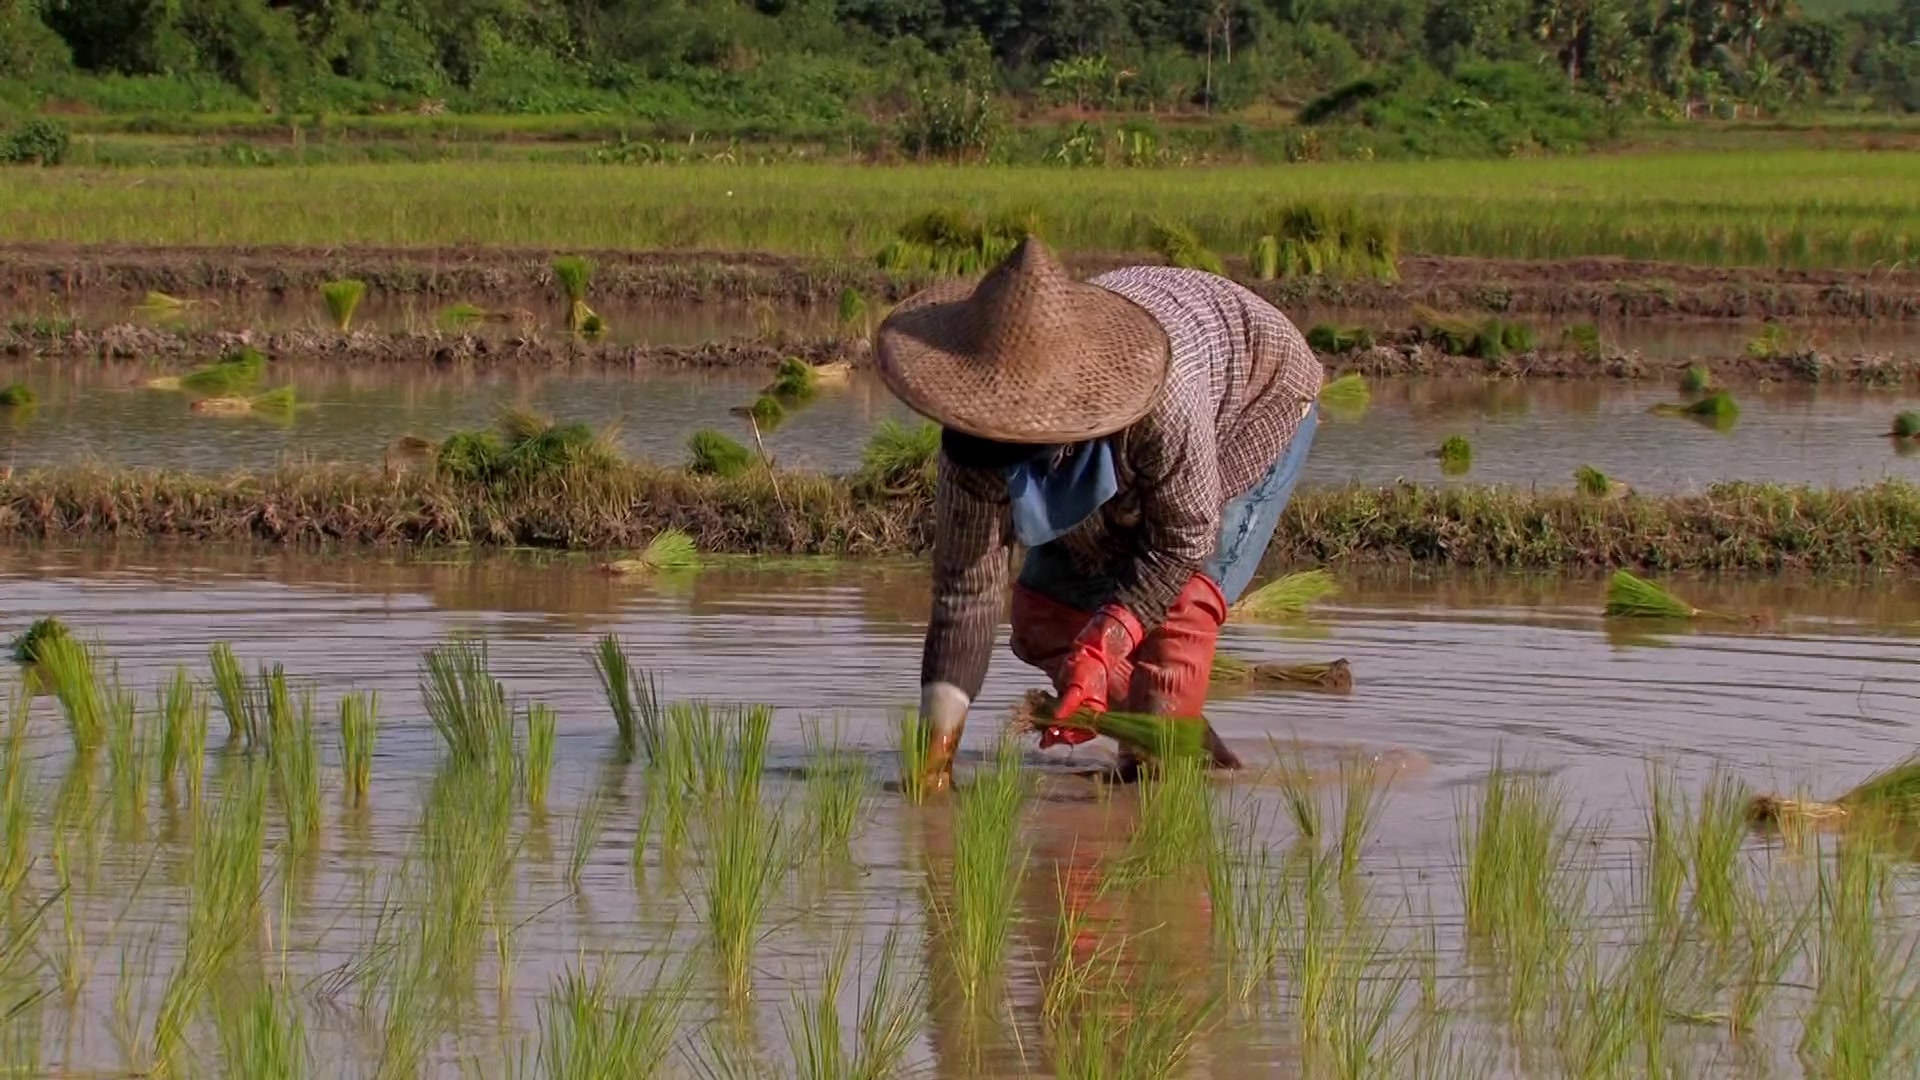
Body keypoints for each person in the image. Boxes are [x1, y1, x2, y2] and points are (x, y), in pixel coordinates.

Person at [875, 237, 1324, 792]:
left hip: (1250, 397)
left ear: (1050, 432)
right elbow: (964, 594)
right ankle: (1177, 738)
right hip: (1120, 427)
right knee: (1042, 621)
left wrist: (1103, 643)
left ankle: (1163, 760)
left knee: (1176, 616)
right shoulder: (974, 442)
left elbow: (1183, 541)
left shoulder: (1164, 404)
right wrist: (933, 765)